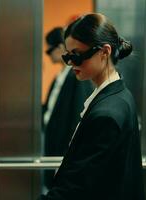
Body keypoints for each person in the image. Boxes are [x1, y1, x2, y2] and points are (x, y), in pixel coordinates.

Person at [37, 13, 145, 200]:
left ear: (105, 52)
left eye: (77, 56)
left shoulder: (107, 114)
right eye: (67, 56)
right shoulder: (119, 93)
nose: (70, 63)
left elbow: (78, 189)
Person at [43, 27, 94, 189]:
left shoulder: (75, 77)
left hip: (63, 152)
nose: (48, 55)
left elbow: (77, 118)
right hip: (53, 147)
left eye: (49, 50)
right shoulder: (60, 77)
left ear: (59, 48)